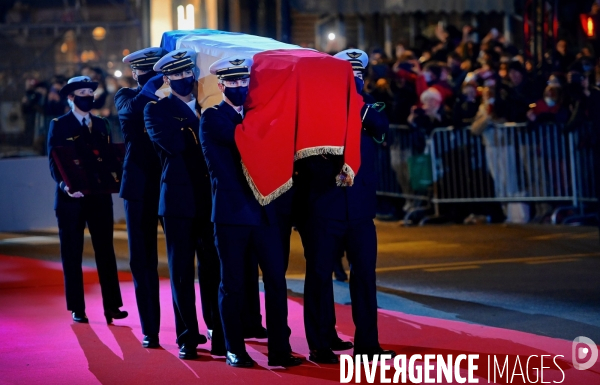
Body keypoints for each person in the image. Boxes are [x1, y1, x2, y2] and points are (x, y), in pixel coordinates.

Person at [293, 49, 396, 364]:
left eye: (359, 76)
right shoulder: (318, 112)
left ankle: (368, 344)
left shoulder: (367, 110)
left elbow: (382, 128)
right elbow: (305, 157)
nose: (355, 81)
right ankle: (320, 344)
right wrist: (334, 173)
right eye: (348, 77)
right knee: (320, 276)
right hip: (326, 207)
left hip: (361, 211)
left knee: (365, 277)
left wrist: (358, 104)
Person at [199, 55, 301, 368]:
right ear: (221, 85)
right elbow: (248, 144)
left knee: (275, 280)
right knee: (232, 284)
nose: (240, 86)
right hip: (232, 213)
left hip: (265, 213)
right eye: (232, 81)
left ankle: (280, 350)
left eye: (244, 81)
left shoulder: (256, 116)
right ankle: (233, 348)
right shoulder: (213, 117)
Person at [144, 50, 223, 360]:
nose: (183, 79)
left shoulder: (210, 108)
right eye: (175, 75)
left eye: (187, 73)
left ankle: (217, 331)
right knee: (181, 271)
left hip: (209, 200)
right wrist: (199, 126)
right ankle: (188, 336)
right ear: (166, 79)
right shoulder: (156, 110)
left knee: (212, 268)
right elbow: (175, 146)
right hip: (177, 202)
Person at [47, 76, 128, 324]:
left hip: (99, 197)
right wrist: (64, 186)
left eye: (90, 92)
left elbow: (108, 159)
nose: (88, 97)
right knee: (72, 253)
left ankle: (112, 306)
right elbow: (54, 161)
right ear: (71, 98)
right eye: (81, 93)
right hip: (71, 198)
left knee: (106, 251)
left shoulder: (102, 124)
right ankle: (77, 307)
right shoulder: (59, 124)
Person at [116, 47, 166, 348]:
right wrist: (153, 87)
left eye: (154, 69)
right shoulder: (125, 96)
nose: (148, 75)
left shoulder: (172, 99)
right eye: (143, 70)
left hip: (172, 184)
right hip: (139, 188)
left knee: (181, 259)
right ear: (134, 73)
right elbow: (132, 109)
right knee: (143, 259)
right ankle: (151, 328)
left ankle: (192, 330)